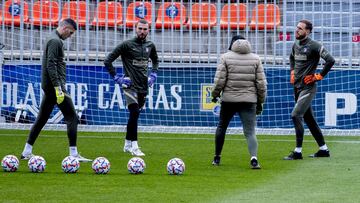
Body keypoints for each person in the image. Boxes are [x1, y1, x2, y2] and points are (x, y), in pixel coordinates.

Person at [20, 18, 91, 162]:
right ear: (65, 28)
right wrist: (58, 88)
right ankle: (73, 153)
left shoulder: (53, 38)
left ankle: (27, 151)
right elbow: (51, 65)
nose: (70, 36)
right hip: (54, 87)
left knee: (42, 118)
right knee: (72, 117)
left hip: (51, 86)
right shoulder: (55, 41)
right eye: (70, 33)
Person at [104, 19, 159, 157]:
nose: (142, 31)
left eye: (145, 29)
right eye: (140, 28)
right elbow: (108, 60)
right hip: (129, 86)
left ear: (148, 30)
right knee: (134, 112)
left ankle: (127, 143)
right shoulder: (127, 45)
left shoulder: (150, 45)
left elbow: (156, 61)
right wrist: (117, 78)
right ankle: (135, 146)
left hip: (143, 86)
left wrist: (153, 74)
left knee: (134, 115)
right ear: (135, 29)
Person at [211, 35, 267, 169]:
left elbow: (219, 81)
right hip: (249, 101)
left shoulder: (225, 57)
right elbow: (261, 84)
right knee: (250, 132)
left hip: (229, 100)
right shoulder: (256, 59)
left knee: (222, 127)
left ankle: (217, 157)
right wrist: (260, 102)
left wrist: (215, 95)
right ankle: (254, 158)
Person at [284, 19, 335, 160]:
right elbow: (292, 58)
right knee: (309, 119)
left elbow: (330, 60)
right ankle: (323, 149)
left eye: (300, 28)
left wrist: (319, 76)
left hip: (308, 88)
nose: (297, 30)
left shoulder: (314, 46)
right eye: (296, 27)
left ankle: (298, 151)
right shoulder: (296, 44)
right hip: (297, 87)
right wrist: (292, 71)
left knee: (296, 115)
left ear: (308, 31)